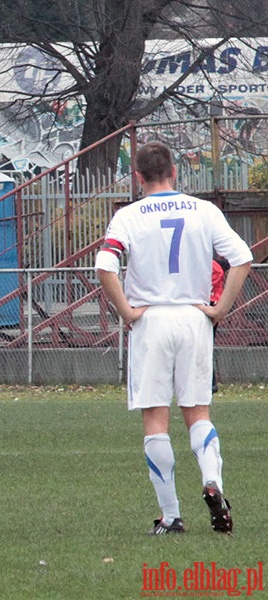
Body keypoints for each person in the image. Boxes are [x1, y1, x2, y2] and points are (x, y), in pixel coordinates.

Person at [95, 141, 252, 535]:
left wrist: (126, 312)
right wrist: (219, 309)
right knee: (198, 413)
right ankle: (212, 480)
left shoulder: (128, 216)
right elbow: (243, 257)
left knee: (155, 420)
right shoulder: (204, 210)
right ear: (175, 172)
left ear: (138, 176)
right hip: (194, 318)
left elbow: (105, 265)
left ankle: (171, 515)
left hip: (151, 321)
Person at [210, 257, 230, 393]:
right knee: (207, 345)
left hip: (204, 304)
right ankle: (211, 383)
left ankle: (210, 383)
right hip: (213, 305)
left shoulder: (210, 266)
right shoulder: (218, 268)